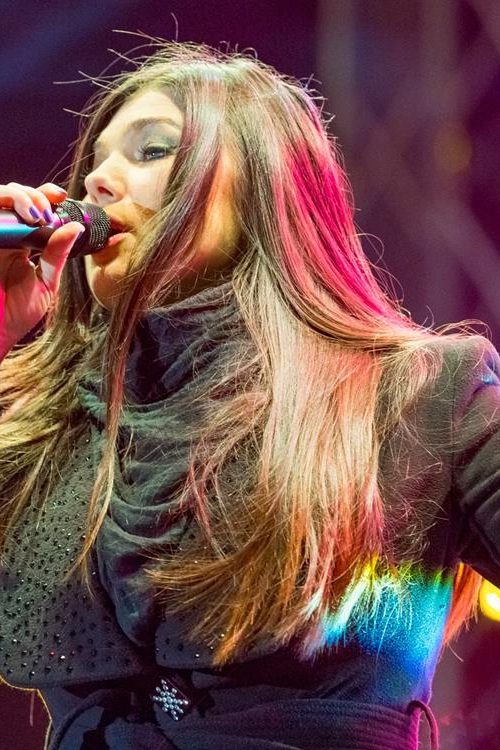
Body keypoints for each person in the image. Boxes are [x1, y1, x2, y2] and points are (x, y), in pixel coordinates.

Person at [0, 41, 499, 750]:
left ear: (265, 191)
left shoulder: (419, 397)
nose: (98, 181)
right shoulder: (45, 427)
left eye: (151, 151)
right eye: (95, 163)